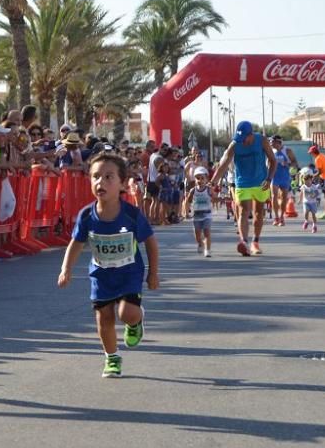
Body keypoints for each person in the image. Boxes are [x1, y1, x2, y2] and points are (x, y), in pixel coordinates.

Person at [57, 152, 159, 379]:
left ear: (122, 184)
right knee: (104, 318)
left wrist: (153, 273)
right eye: (95, 177)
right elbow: (76, 243)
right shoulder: (86, 216)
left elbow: (150, 243)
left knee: (127, 314)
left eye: (108, 177)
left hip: (129, 274)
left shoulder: (132, 215)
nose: (100, 182)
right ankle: (111, 357)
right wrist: (66, 269)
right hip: (101, 275)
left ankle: (136, 321)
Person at [209, 121, 275, 257]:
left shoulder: (261, 141)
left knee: (258, 212)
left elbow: (273, 161)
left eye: (244, 138)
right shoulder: (235, 144)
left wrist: (269, 179)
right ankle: (244, 242)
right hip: (242, 183)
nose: (242, 141)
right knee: (243, 210)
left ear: (251, 135)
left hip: (260, 182)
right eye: (240, 138)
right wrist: (213, 182)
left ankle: (255, 242)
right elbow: (224, 163)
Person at [184, 167, 213, 256]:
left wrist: (221, 199)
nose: (200, 180)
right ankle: (200, 243)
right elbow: (188, 201)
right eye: (197, 178)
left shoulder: (208, 189)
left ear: (206, 179)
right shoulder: (193, 190)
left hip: (207, 214)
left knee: (207, 232)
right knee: (197, 235)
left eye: (202, 178)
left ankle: (207, 250)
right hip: (196, 215)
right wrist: (186, 213)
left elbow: (215, 197)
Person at [269, 135, 295, 226]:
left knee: (284, 198)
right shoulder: (270, 151)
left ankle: (282, 217)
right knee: (273, 196)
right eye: (270, 142)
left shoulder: (288, 151)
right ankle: (276, 217)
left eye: (272, 142)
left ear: (278, 142)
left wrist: (287, 164)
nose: (270, 144)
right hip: (274, 177)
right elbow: (267, 164)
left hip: (285, 177)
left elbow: (295, 163)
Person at [309, 144, 325, 220]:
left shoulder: (318, 158)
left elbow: (320, 171)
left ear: (313, 153)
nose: (311, 155)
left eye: (311, 153)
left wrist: (313, 176)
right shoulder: (322, 155)